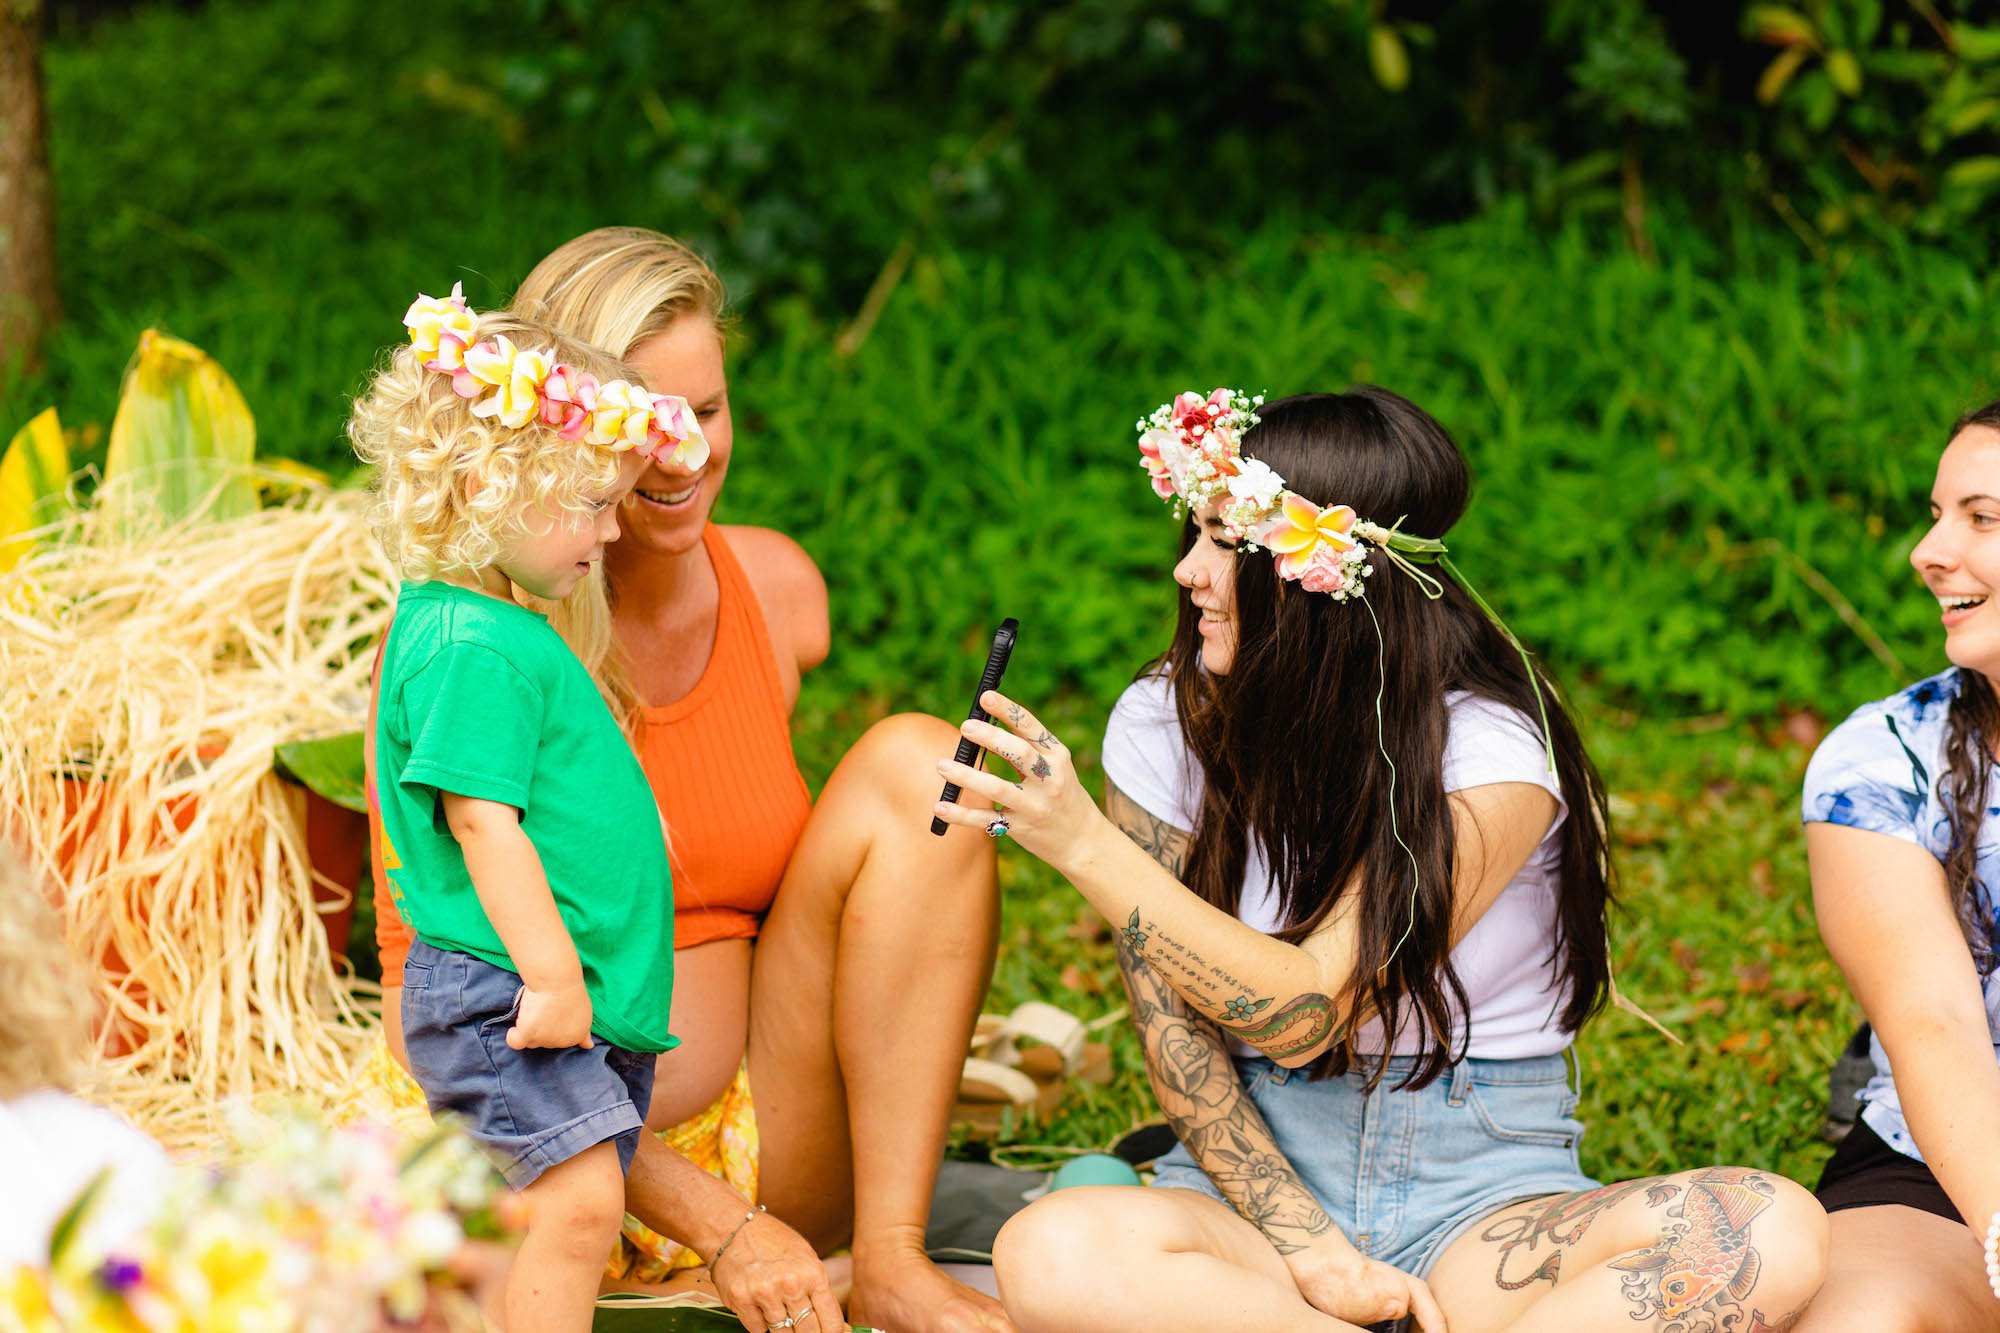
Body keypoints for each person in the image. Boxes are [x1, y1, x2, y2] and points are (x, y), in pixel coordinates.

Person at [931, 388, 1830, 1331]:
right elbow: (1179, 1040)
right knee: (1051, 1248)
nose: (1188, 571)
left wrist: (1082, 844)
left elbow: (1307, 1012)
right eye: (1192, 534)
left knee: (1764, 1228)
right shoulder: (1165, 720)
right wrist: (1313, 1251)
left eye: (1225, 542)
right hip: (1252, 1199)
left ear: (1323, 578)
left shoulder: (1491, 753)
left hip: (1480, 1196)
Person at [366, 229, 1006, 1333]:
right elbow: (419, 998)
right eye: (646, 426)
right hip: (533, 1150)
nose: (680, 458)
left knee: (918, 765)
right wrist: (716, 1221)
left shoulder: (777, 591)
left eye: (704, 413)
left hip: (759, 1137)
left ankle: (891, 1257)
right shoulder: (474, 653)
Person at [351, 291, 730, 1332]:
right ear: (488, 486)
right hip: (509, 982)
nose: (611, 529)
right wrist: (558, 977)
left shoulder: (488, 628)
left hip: (529, 984)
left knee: (544, 1212)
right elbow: (483, 822)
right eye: (593, 503)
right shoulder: (471, 644)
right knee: (576, 1205)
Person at [1793, 399, 2000, 1331]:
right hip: (1945, 1162)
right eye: (1936, 514)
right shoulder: (1881, 761)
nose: (1928, 552)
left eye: (1981, 518)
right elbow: (1933, 1021)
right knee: (1865, 1318)